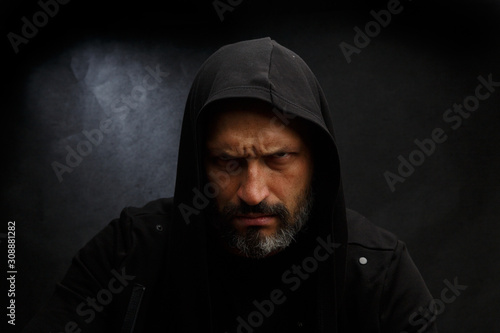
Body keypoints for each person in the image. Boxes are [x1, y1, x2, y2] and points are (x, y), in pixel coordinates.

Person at [22, 37, 438, 333]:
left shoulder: (378, 274)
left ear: (318, 162)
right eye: (228, 162)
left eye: (279, 158)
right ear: (197, 165)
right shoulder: (129, 252)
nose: (253, 192)